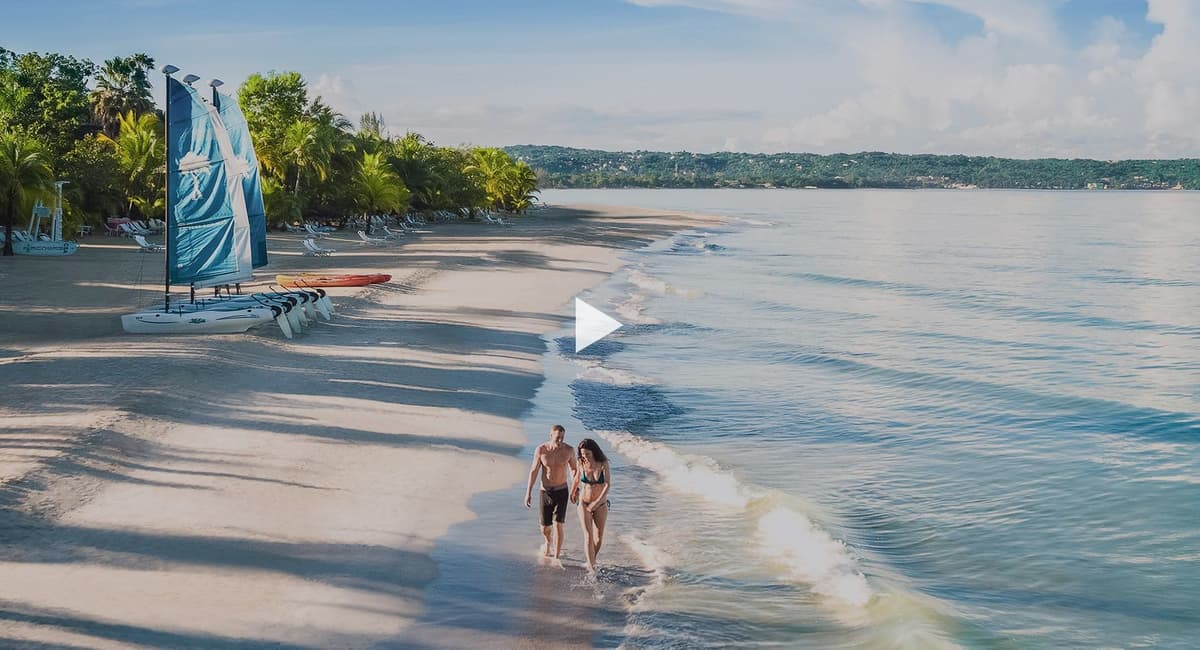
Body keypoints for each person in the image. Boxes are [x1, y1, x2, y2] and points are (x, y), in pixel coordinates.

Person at [524, 424, 577, 560]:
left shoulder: (569, 450)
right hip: (545, 492)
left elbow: (574, 470)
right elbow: (534, 471)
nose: (560, 441)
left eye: (562, 438)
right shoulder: (541, 450)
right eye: (558, 438)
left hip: (562, 491)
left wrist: (575, 488)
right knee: (545, 528)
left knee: (558, 524)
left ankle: (557, 557)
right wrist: (528, 492)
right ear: (551, 436)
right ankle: (548, 542)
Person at [571, 438, 611, 574]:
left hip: (600, 504)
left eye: (587, 454)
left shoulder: (603, 463)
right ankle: (591, 567)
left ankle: (592, 558)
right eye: (582, 454)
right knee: (588, 535)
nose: (585, 457)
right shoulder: (581, 462)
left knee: (598, 537)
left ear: (594, 452)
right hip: (584, 502)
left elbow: (607, 484)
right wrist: (573, 491)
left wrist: (597, 502)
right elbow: (577, 478)